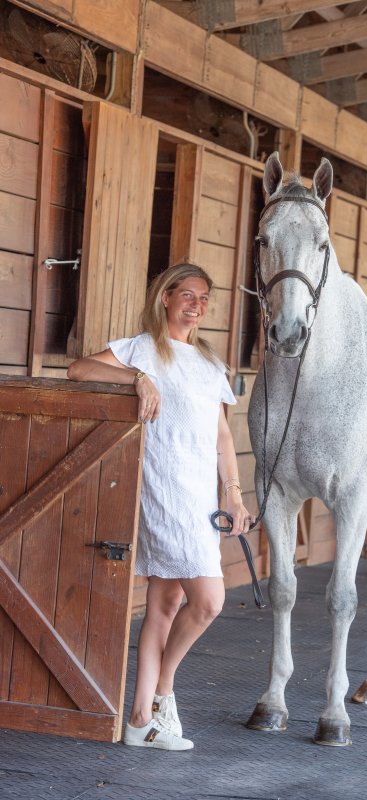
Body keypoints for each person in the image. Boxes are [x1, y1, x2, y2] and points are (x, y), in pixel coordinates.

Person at [67, 263, 253, 751]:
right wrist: (136, 378)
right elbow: (79, 368)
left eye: (204, 298)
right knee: (209, 601)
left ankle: (138, 718)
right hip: (163, 492)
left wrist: (233, 492)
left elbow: (222, 435)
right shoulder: (142, 348)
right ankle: (163, 694)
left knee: (167, 603)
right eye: (187, 295)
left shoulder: (212, 365)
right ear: (166, 298)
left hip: (199, 494)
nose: (196, 305)